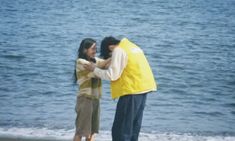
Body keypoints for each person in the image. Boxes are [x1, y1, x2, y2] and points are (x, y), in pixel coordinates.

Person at [84, 36, 157, 141]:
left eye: (110, 55)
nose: (112, 57)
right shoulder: (131, 46)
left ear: (110, 48)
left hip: (131, 91)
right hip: (144, 88)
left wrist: (94, 69)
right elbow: (125, 66)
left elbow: (112, 75)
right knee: (132, 128)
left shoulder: (118, 50)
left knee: (120, 129)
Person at [73, 38, 111, 141]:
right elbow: (97, 69)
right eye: (93, 48)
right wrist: (113, 56)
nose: (95, 50)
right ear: (85, 50)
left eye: (96, 48)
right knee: (80, 132)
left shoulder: (95, 60)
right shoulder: (81, 62)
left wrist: (113, 57)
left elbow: (105, 64)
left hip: (95, 99)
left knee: (91, 133)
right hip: (85, 99)